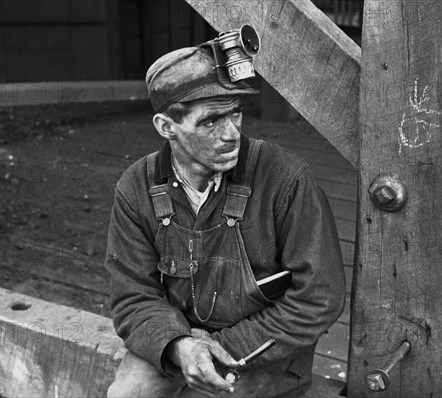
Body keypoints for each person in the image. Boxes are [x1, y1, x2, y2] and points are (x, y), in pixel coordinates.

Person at [105, 44, 346, 398]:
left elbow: (319, 298)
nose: (231, 132)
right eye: (210, 121)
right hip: (178, 341)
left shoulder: (286, 179)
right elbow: (132, 294)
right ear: (166, 126)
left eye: (235, 113)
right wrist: (180, 347)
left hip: (261, 353)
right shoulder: (137, 186)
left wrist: (218, 348)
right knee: (126, 394)